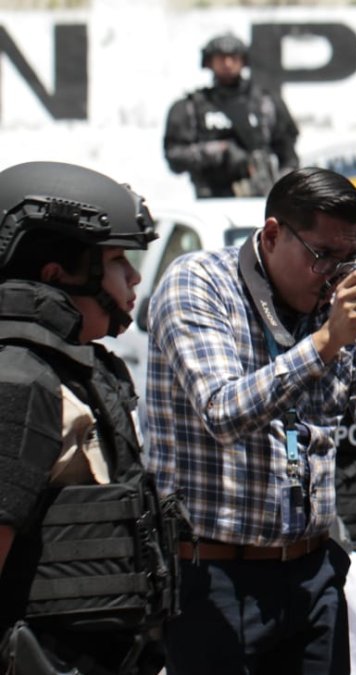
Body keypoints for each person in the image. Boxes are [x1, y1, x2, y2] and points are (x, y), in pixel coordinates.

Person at [144, 167, 356, 674]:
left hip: (313, 571)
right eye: (321, 255)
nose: (334, 272)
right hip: (214, 573)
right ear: (271, 234)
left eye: (348, 255)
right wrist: (326, 343)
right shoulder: (198, 283)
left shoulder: (339, 303)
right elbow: (223, 412)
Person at [0, 161, 173, 674]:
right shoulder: (21, 378)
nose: (135, 276)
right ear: (58, 275)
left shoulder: (85, 369)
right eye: (118, 259)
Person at [163, 33, 300, 198]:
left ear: (243, 60)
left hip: (261, 196)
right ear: (209, 62)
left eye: (233, 57)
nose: (227, 63)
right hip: (212, 198)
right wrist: (220, 152)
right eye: (221, 58)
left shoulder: (266, 104)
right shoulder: (191, 106)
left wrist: (279, 187)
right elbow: (174, 157)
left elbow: (289, 156)